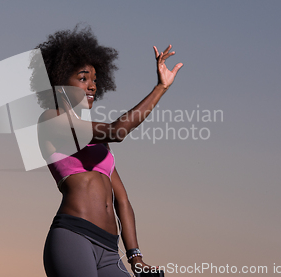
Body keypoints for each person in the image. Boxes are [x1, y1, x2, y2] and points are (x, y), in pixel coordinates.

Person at [30, 25, 183, 277]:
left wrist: (135, 257)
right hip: (74, 237)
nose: (91, 86)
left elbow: (121, 199)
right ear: (58, 81)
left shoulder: (99, 143)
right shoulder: (50, 120)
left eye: (94, 80)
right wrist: (160, 88)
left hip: (110, 251)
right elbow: (117, 130)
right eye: (82, 78)